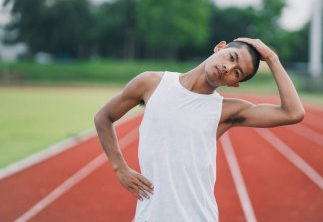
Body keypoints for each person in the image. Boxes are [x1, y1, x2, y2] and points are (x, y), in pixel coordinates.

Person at [94, 38, 305, 221]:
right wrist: (119, 168)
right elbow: (103, 117)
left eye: (237, 73)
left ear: (234, 84)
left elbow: (293, 112)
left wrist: (272, 58)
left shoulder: (225, 111)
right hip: (149, 216)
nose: (227, 69)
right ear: (219, 47)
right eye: (231, 57)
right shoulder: (151, 83)